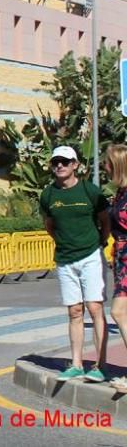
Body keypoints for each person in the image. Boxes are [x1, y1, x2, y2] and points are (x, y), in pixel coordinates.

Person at [40, 145, 110, 383]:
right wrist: (63, 243)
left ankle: (100, 365)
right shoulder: (48, 195)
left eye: (65, 161)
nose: (59, 165)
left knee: (95, 308)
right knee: (74, 311)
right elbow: (49, 225)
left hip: (90, 256)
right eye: (55, 162)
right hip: (65, 260)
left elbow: (104, 222)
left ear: (75, 165)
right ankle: (77, 364)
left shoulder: (90, 191)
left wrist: (100, 243)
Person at [105, 145, 127, 389]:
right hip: (121, 256)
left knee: (119, 312)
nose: (104, 167)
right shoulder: (120, 193)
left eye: (108, 163)